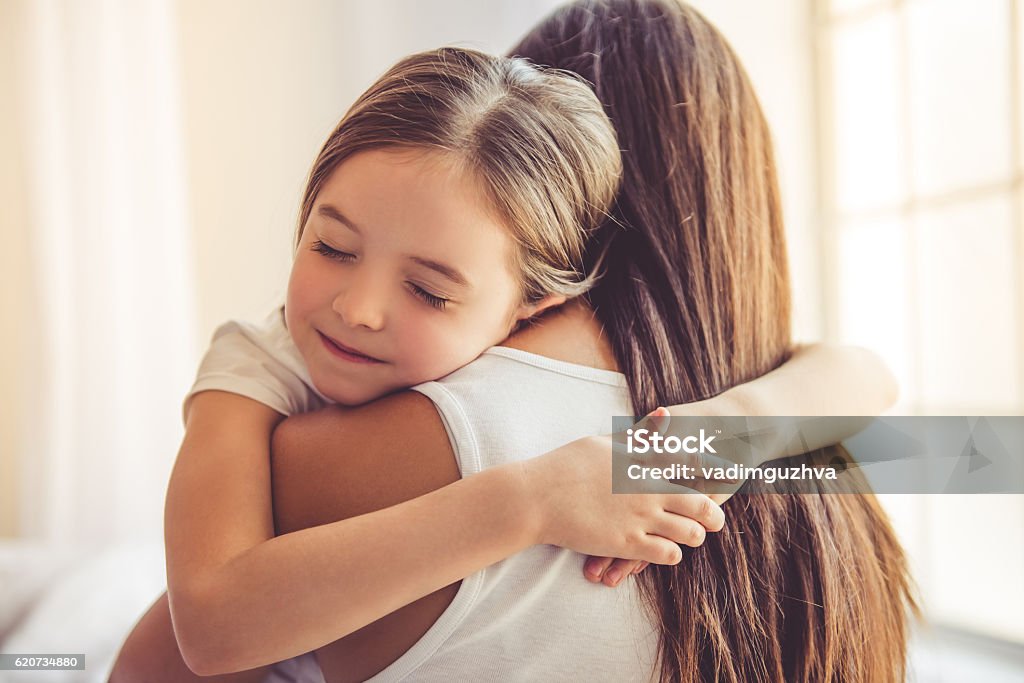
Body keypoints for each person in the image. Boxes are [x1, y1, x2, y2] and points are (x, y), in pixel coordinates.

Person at [109, 5, 904, 683]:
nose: (359, 309)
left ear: (535, 298)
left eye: (429, 288)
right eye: (331, 246)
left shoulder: (705, 422)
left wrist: (734, 429)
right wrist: (530, 498)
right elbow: (199, 629)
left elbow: (871, 372)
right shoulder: (260, 366)